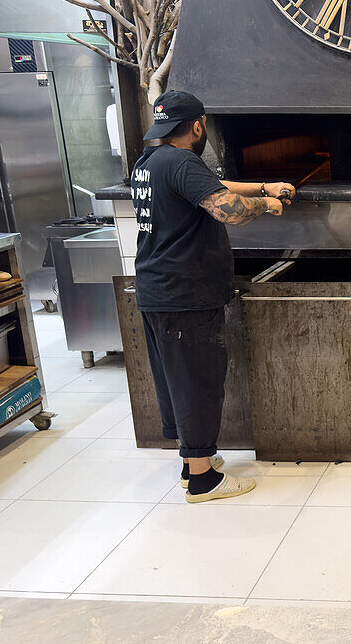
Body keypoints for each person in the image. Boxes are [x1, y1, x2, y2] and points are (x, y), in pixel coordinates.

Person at [131, 90, 296, 503]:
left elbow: (213, 186)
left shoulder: (150, 162)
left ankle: (193, 463)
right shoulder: (183, 161)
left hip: (158, 290)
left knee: (179, 381)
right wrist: (266, 203)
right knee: (198, 382)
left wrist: (261, 184)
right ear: (198, 126)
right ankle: (203, 480)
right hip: (185, 293)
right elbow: (228, 209)